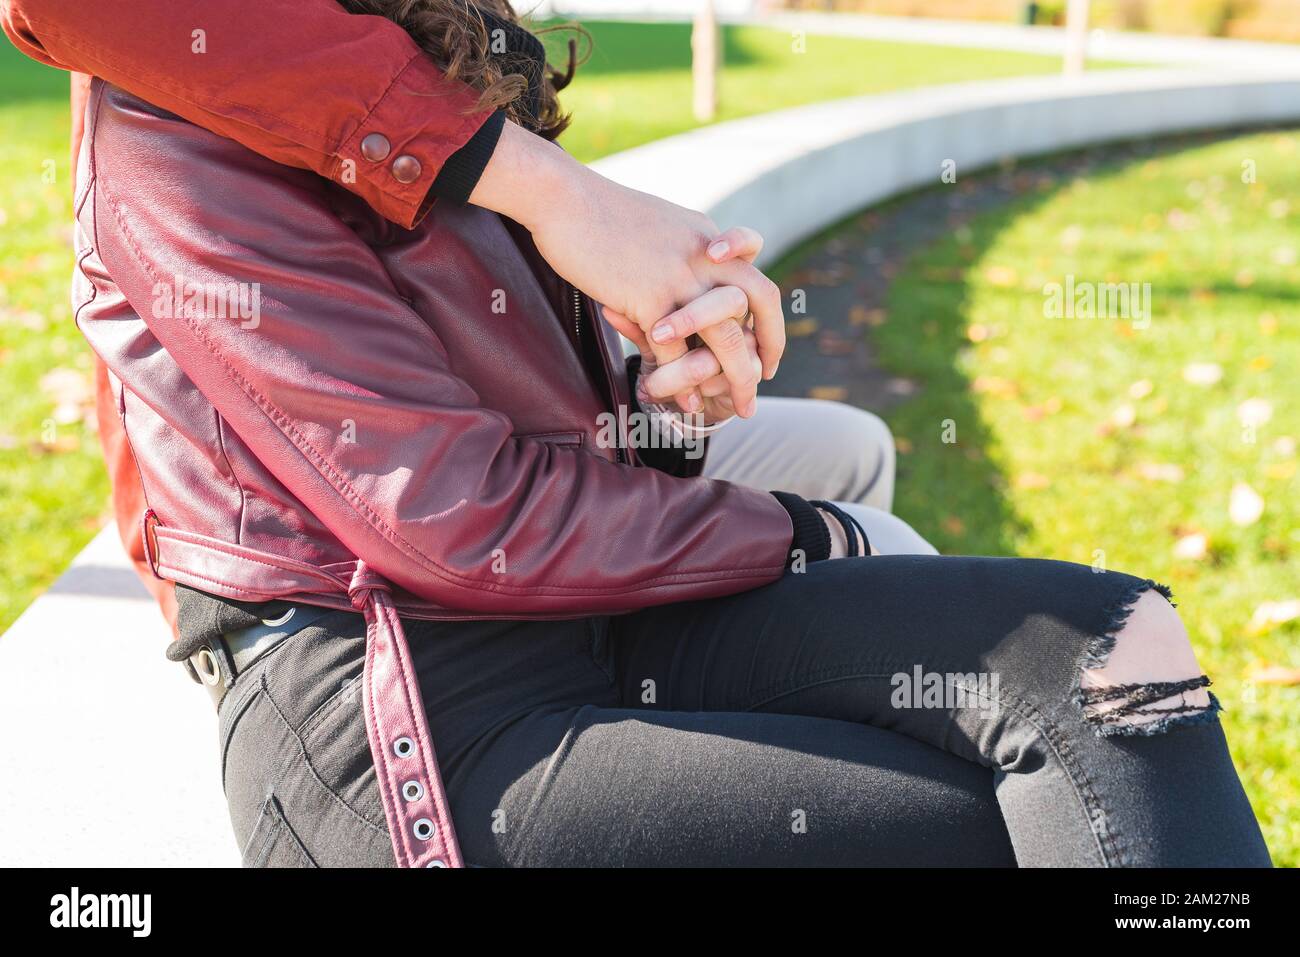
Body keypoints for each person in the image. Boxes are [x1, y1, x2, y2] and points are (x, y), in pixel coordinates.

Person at [15, 0, 1271, 866]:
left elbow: (547, 425)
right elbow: (459, 520)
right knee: (979, 820)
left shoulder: (412, 56)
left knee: (1108, 649)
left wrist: (667, 395)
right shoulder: (176, 127)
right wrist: (808, 533)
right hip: (407, 719)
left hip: (582, 622)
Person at [4, 0, 928, 644]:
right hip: (341, 592)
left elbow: (492, 323)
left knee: (853, 451)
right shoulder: (192, 77)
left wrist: (654, 388)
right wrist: (554, 190)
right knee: (881, 556)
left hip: (509, 479)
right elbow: (447, 510)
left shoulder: (422, 36)